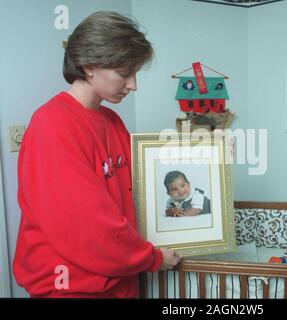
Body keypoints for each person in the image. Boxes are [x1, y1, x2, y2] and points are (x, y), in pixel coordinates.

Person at [13, 11, 181, 298]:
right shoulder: (52, 125)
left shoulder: (112, 122)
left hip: (119, 281)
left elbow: (139, 192)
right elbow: (88, 225)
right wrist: (152, 258)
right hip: (72, 288)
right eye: (124, 73)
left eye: (135, 73)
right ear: (90, 66)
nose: (133, 85)